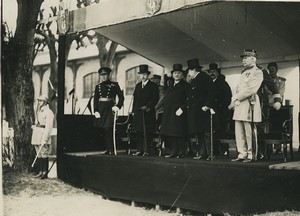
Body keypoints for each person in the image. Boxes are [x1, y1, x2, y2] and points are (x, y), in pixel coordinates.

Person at [228, 49, 263, 163]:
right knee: (239, 131)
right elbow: (237, 87)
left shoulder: (258, 72)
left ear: (253, 59)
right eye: (243, 58)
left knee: (249, 131)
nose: (243, 60)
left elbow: (251, 89)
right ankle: (241, 153)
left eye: (246, 58)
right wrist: (234, 98)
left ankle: (251, 154)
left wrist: (236, 97)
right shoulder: (243, 73)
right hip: (239, 104)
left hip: (249, 103)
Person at [159, 64, 191, 158]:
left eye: (179, 73)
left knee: (179, 133)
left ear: (182, 75)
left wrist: (182, 109)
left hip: (179, 112)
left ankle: (181, 152)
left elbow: (189, 99)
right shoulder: (171, 85)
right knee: (171, 133)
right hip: (169, 112)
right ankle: (173, 151)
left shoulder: (185, 85)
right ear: (172, 74)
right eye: (175, 73)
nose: (177, 75)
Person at [186, 58, 215, 160]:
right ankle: (203, 153)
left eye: (189, 71)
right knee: (199, 132)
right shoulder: (194, 80)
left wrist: (207, 105)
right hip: (196, 110)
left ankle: (209, 153)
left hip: (203, 109)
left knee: (206, 132)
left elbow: (210, 93)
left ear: (194, 70)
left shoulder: (204, 78)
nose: (189, 73)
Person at [93, 67, 124, 155]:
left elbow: (121, 97)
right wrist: (95, 110)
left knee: (108, 128)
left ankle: (112, 149)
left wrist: (118, 106)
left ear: (109, 75)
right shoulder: (98, 86)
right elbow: (95, 99)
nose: (103, 77)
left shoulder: (115, 85)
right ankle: (108, 149)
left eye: (105, 75)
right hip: (101, 109)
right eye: (102, 75)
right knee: (104, 130)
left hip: (110, 109)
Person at [132, 64, 159, 156]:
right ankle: (139, 150)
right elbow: (135, 99)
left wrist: (148, 106)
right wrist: (133, 111)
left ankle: (146, 150)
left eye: (145, 74)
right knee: (139, 131)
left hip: (148, 112)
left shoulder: (153, 86)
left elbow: (155, 98)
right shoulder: (138, 86)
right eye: (141, 74)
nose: (143, 76)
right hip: (138, 112)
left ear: (148, 75)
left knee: (147, 131)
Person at [207, 63, 232, 156]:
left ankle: (222, 151)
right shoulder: (208, 83)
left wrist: (221, 106)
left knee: (221, 131)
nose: (212, 73)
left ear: (218, 73)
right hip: (211, 111)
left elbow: (228, 97)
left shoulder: (223, 83)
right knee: (212, 131)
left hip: (221, 112)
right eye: (210, 72)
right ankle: (214, 151)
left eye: (214, 71)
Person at [31, 95, 54, 179]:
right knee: (38, 154)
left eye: (41, 101)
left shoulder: (49, 112)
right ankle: (40, 171)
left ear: (45, 102)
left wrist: (45, 138)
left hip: (43, 135)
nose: (39, 102)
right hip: (37, 133)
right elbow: (38, 122)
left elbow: (48, 127)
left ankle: (45, 172)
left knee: (44, 153)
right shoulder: (39, 111)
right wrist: (35, 126)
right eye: (39, 101)